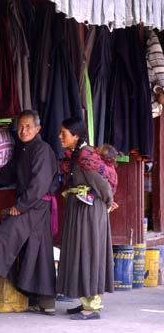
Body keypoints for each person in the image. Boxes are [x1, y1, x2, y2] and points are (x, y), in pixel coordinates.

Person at [0, 110, 59, 315]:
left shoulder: (43, 150)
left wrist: (20, 206)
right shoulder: (23, 149)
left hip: (36, 206)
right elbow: (7, 174)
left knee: (3, 234)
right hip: (32, 206)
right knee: (37, 252)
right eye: (20, 126)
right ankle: (45, 302)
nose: (23, 131)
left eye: (28, 127)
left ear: (38, 129)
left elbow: (39, 185)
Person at [57, 117, 117, 320]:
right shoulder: (77, 153)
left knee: (90, 252)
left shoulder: (84, 156)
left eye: (63, 133)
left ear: (75, 136)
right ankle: (85, 301)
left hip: (90, 212)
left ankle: (92, 306)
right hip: (80, 208)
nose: (60, 136)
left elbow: (103, 185)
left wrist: (107, 203)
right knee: (79, 253)